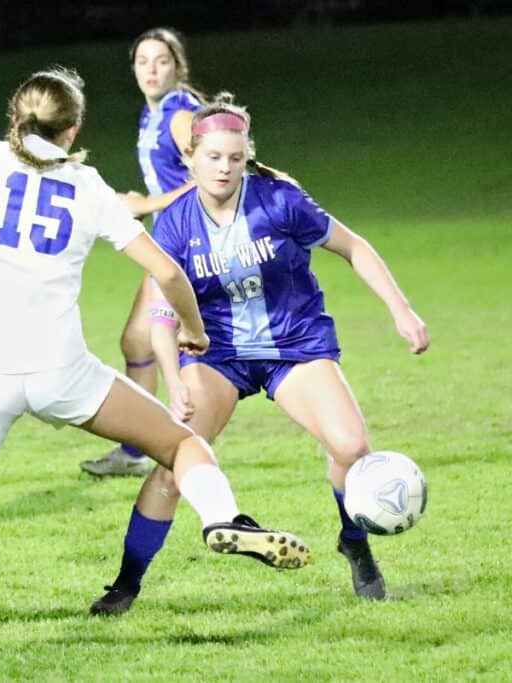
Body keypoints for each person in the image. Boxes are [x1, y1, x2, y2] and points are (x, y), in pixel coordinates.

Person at [0, 68, 311, 659]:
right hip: (62, 372)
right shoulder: (87, 185)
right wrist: (193, 329)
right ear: (73, 130)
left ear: (15, 121)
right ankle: (224, 517)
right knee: (182, 445)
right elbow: (167, 272)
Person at [88, 93, 430, 616]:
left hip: (292, 345)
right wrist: (175, 384)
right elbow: (161, 315)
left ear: (247, 156)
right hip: (216, 353)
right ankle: (126, 584)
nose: (224, 168)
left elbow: (354, 246)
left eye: (235, 158)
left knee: (351, 446)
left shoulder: (280, 200)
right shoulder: (176, 222)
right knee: (173, 462)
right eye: (213, 158)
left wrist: (401, 310)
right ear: (190, 158)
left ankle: (354, 543)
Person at [80, 27, 206, 477]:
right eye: (142, 62)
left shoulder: (180, 115)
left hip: (191, 241)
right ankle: (142, 450)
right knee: (140, 340)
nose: (151, 70)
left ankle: (179, 445)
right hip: (170, 237)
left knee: (174, 344)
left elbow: (212, 180)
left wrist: (146, 205)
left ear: (178, 66)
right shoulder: (151, 114)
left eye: (161, 61)